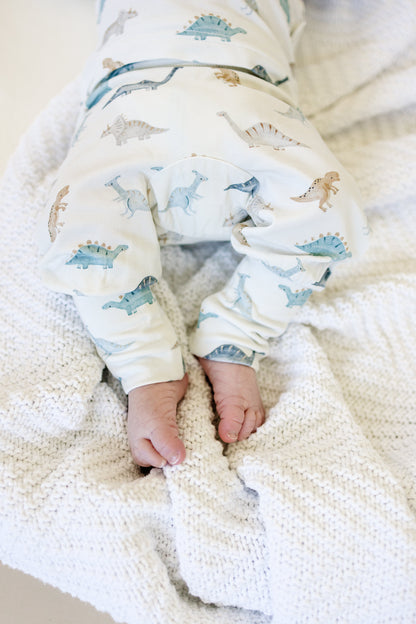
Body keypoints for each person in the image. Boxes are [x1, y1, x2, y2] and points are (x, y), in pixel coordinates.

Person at [37, 0, 368, 469]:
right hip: (128, 96)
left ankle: (235, 335)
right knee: (71, 225)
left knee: (335, 209)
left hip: (249, 93)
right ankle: (146, 366)